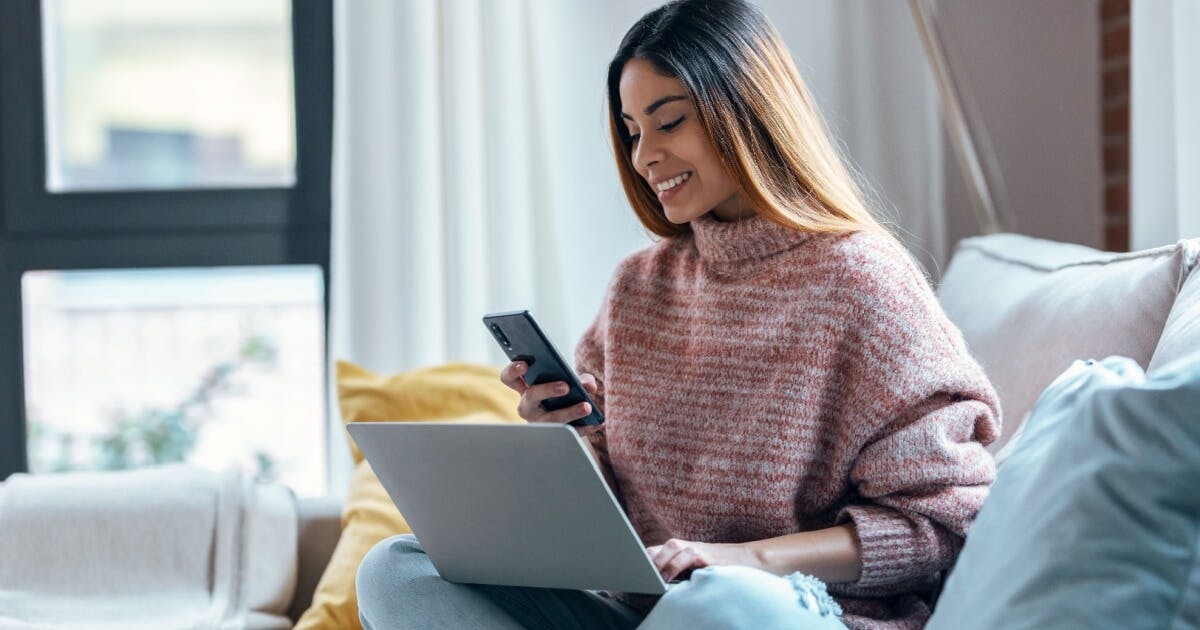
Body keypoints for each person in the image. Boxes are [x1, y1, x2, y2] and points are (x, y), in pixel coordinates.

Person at [356, 0, 1000, 628]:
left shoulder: (864, 282)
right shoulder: (637, 287)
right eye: (633, 131)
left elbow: (940, 523)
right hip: (636, 610)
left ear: (745, 108)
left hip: (776, 612)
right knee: (396, 570)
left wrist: (746, 561)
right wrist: (571, 447)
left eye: (668, 123)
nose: (644, 157)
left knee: (721, 603)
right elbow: (611, 509)